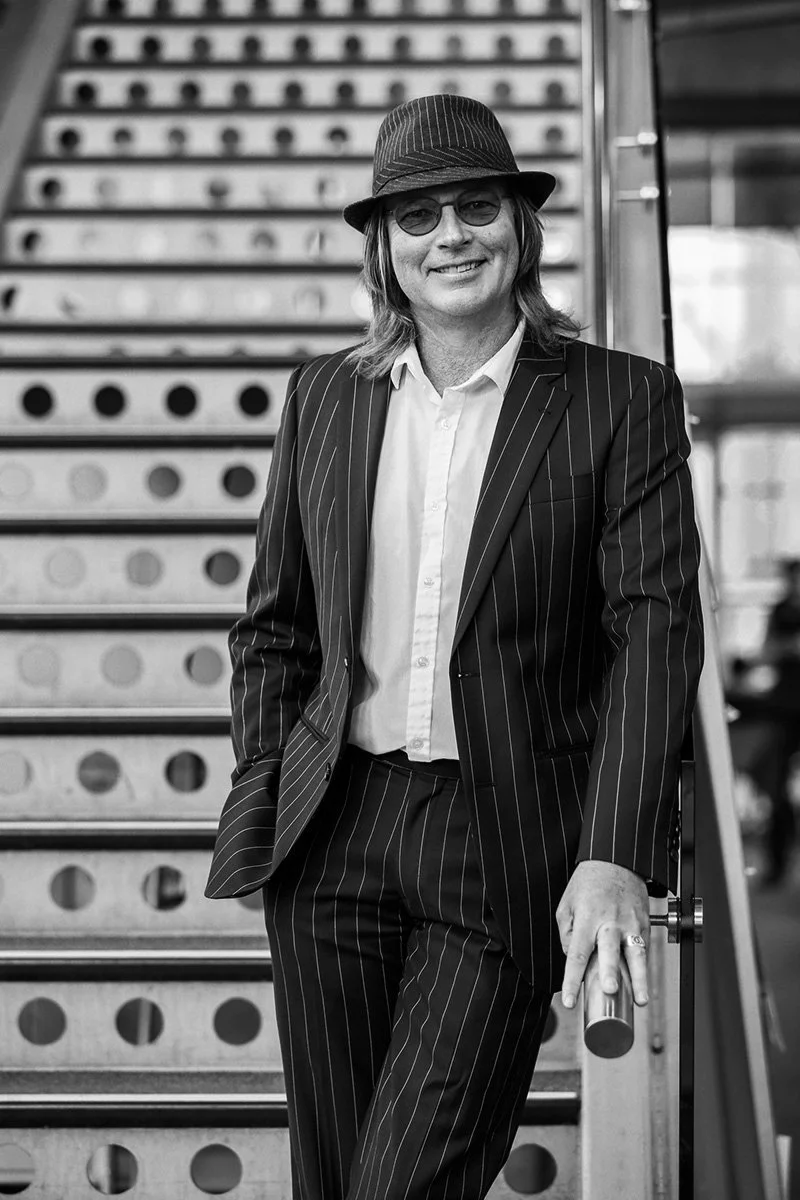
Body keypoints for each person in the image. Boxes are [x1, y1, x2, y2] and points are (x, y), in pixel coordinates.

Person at [204, 94, 704, 1200]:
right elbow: (274, 625)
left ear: (520, 230)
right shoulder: (324, 398)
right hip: (336, 831)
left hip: (504, 836)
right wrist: (264, 791)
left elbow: (654, 633)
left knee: (405, 1182)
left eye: (475, 208)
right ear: (384, 251)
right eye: (416, 218)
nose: (449, 237)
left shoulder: (618, 399)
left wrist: (614, 849)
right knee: (335, 1182)